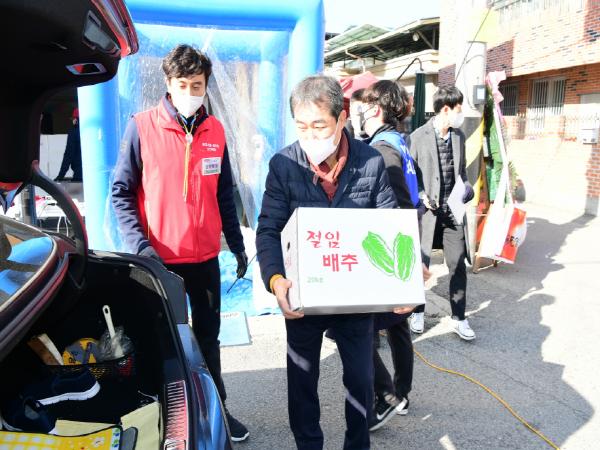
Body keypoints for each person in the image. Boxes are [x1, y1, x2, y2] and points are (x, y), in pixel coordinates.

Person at [111, 44, 250, 441]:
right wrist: (141, 247)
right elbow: (121, 192)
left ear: (206, 86)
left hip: (205, 259)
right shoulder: (142, 127)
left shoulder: (215, 131)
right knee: (160, 341)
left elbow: (225, 194)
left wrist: (237, 244)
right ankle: (158, 418)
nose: (190, 92)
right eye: (183, 84)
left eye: (198, 85)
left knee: (208, 340)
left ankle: (218, 409)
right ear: (169, 83)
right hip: (159, 261)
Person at [256, 74, 398, 450]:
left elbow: (389, 225)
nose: (311, 136)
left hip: (354, 296)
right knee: (302, 380)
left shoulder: (371, 162)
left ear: (341, 118)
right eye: (302, 127)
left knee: (361, 380)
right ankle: (308, 444)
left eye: (319, 125)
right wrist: (275, 279)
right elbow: (268, 228)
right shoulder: (283, 164)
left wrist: (403, 281)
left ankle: (357, 443)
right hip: (302, 294)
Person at [358, 80, 423, 431]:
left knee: (360, 329)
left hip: (389, 250)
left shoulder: (381, 150)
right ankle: (402, 393)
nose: (361, 111)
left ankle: (384, 396)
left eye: (366, 104)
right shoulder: (400, 143)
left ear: (377, 109)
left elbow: (395, 207)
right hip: (404, 247)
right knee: (398, 325)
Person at [408, 86, 475, 340]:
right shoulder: (417, 136)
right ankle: (417, 311)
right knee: (421, 263)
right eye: (459, 108)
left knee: (457, 265)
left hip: (453, 212)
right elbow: (410, 175)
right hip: (427, 213)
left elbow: (462, 173)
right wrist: (421, 194)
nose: (461, 113)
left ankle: (459, 317)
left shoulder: (459, 136)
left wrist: (466, 187)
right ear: (446, 109)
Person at [55, 108, 82, 182]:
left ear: (76, 120)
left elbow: (68, 155)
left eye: (73, 119)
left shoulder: (74, 132)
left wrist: (60, 176)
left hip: (79, 175)